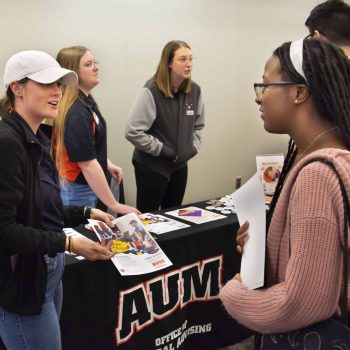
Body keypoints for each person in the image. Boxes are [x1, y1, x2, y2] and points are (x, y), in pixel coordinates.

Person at [219, 38, 350, 342]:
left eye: (265, 85)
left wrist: (233, 292)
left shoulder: (317, 175)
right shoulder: (324, 158)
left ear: (299, 92)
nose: (258, 98)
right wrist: (266, 250)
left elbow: (302, 304)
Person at [0, 50, 117, 350]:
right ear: (17, 88)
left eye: (60, 84)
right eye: (47, 84)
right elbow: (5, 232)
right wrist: (67, 244)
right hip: (24, 284)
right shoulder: (7, 143)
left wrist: (86, 212)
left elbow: (41, 210)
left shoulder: (39, 136)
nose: (58, 92)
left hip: (48, 272)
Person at [53, 46, 139, 215]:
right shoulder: (76, 111)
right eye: (88, 64)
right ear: (72, 72)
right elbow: (87, 164)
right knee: (84, 238)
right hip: (77, 191)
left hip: (84, 187)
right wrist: (114, 204)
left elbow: (87, 145)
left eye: (95, 62)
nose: (96, 67)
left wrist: (106, 163)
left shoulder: (86, 102)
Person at [125, 40, 205, 213]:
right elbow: (133, 131)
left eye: (191, 59)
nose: (189, 64)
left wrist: (192, 148)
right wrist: (162, 150)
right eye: (182, 59)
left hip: (180, 166)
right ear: (169, 63)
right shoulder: (151, 91)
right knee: (149, 218)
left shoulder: (195, 91)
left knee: (175, 216)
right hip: (152, 167)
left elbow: (198, 126)